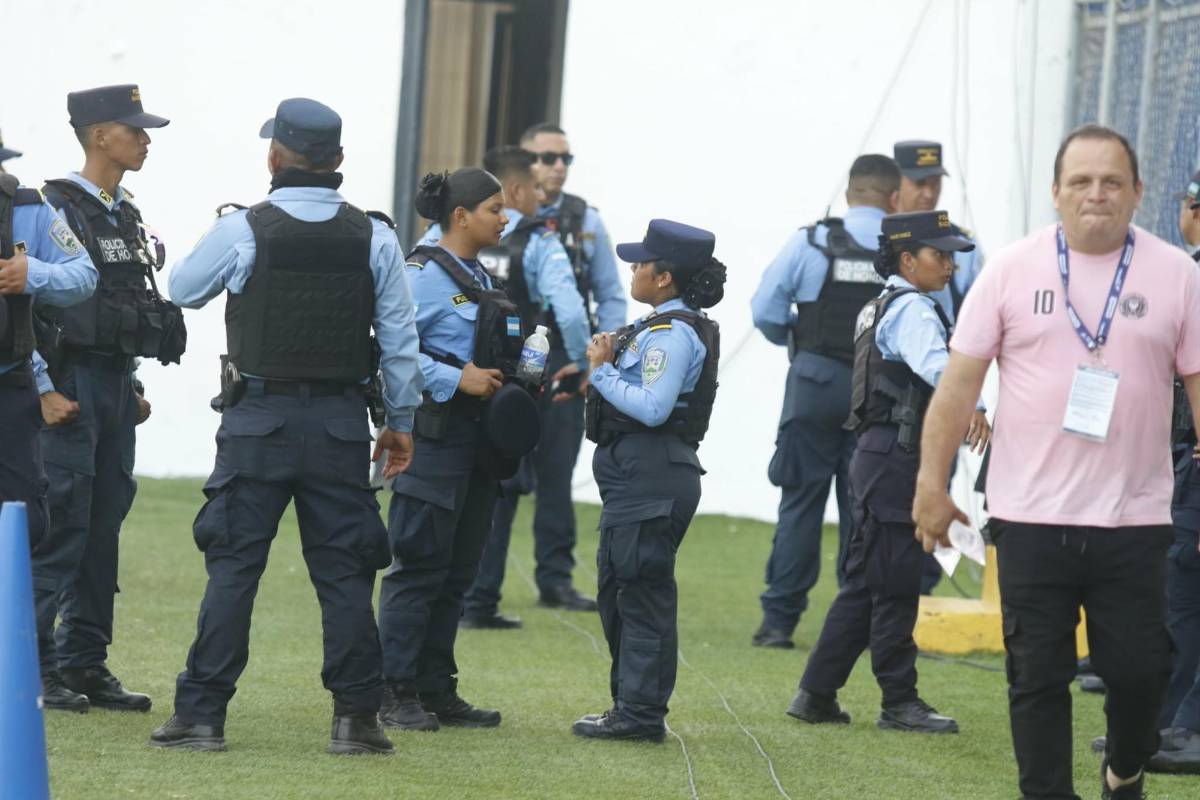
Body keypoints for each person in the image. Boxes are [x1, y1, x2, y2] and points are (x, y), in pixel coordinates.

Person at [913, 124, 1200, 799]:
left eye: (1110, 182)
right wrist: (931, 482)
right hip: (1029, 515)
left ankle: (1124, 772)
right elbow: (958, 386)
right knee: (1036, 677)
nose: (1095, 194)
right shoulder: (1011, 268)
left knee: (1140, 674)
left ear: (1137, 192)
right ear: (1056, 192)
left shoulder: (1179, 276)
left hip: (1134, 519)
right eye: (1080, 181)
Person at [150, 97, 422, 755]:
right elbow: (401, 342)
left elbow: (183, 288)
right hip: (338, 426)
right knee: (347, 575)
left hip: (257, 422)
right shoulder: (376, 236)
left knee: (234, 569)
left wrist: (223, 232)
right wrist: (402, 423)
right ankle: (355, 721)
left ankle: (202, 717)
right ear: (340, 162)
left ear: (275, 157)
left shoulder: (245, 229)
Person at [786, 210, 986, 734]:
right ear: (906, 259)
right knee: (895, 581)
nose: (948, 265)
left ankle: (816, 693)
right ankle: (899, 701)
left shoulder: (882, 305)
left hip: (879, 455)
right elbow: (941, 371)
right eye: (938, 255)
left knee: (866, 580)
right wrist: (977, 405)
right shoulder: (915, 311)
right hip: (896, 457)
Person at [32, 84, 184, 715]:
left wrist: (134, 384)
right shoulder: (51, 207)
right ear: (100, 135)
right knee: (62, 523)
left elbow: (123, 303)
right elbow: (24, 311)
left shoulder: (123, 210)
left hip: (115, 385)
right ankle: (35, 666)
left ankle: (84, 662)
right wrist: (42, 388)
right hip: (69, 386)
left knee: (104, 524)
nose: (145, 139)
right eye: (135, 129)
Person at [377, 167, 540, 733]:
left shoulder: (473, 273)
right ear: (460, 216)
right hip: (435, 440)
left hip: (478, 447)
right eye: (495, 208)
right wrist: (454, 379)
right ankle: (392, 692)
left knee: (457, 573)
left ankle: (434, 688)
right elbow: (386, 350)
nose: (506, 217)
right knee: (418, 567)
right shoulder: (420, 274)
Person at [572, 218, 725, 742]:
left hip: (653, 475)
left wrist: (603, 369)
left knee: (640, 594)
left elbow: (655, 409)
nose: (633, 271)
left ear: (665, 278)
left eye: (641, 264)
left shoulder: (672, 335)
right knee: (621, 590)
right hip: (640, 478)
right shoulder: (659, 326)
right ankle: (629, 707)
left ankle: (639, 714)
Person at [750, 154, 900, 649]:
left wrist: (800, 342)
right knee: (865, 508)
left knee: (800, 501)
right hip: (877, 391)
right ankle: (854, 624)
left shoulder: (810, 241)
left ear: (849, 194)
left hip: (814, 383)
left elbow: (766, 310)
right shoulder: (905, 250)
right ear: (893, 199)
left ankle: (779, 622)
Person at [479, 121, 623, 613]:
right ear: (522, 168)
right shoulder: (488, 218)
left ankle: (555, 580)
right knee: (499, 473)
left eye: (565, 159)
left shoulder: (586, 220)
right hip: (510, 355)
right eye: (545, 158)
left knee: (557, 471)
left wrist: (603, 353)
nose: (557, 167)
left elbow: (608, 292)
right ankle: (481, 586)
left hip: (565, 354)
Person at [446, 145, 592, 629]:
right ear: (514, 190)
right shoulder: (539, 240)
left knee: (458, 486)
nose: (540, 194)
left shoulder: (447, 234)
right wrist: (576, 361)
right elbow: (570, 310)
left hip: (457, 380)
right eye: (532, 184)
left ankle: (458, 598)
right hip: (516, 384)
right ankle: (484, 599)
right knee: (509, 485)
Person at [1, 177, 97, 700]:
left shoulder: (26, 208)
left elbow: (83, 275)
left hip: (9, 383)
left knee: (28, 521)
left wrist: (28, 273)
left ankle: (22, 665)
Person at [892, 139, 987, 595]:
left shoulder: (961, 245)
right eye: (918, 183)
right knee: (880, 507)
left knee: (936, 485)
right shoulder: (879, 244)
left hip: (937, 394)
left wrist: (972, 396)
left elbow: (980, 320)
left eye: (934, 183)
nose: (928, 193)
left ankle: (921, 598)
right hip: (885, 393)